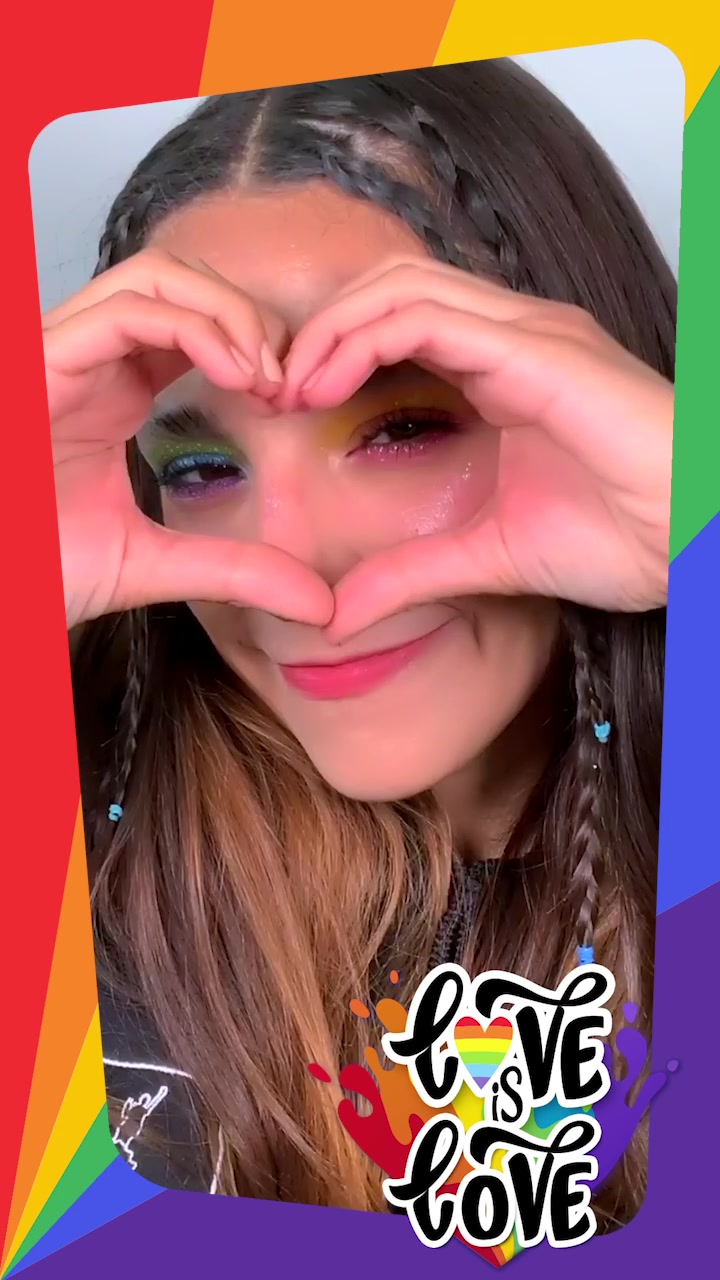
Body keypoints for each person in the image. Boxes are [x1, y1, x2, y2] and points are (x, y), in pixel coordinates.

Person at [44, 60, 675, 1222]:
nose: (290, 572)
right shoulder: (76, 851)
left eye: (403, 427)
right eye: (203, 465)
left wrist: (700, 532)